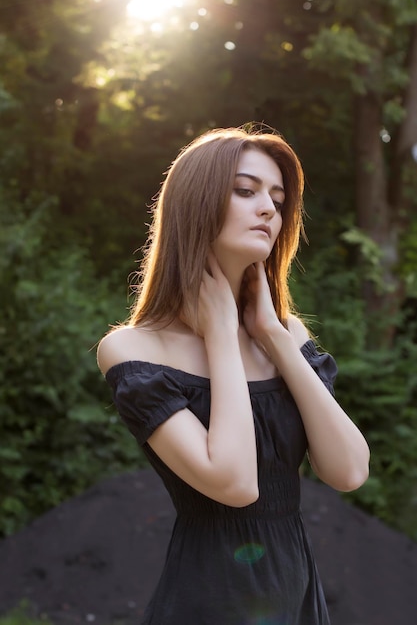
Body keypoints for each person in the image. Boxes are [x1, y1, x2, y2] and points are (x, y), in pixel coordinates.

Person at [97, 125, 370, 625]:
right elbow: (235, 482)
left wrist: (273, 336)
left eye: (277, 197)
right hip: (208, 599)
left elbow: (349, 471)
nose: (269, 208)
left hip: (297, 596)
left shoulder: (285, 334)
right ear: (197, 204)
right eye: (246, 191)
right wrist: (221, 333)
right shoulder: (133, 349)